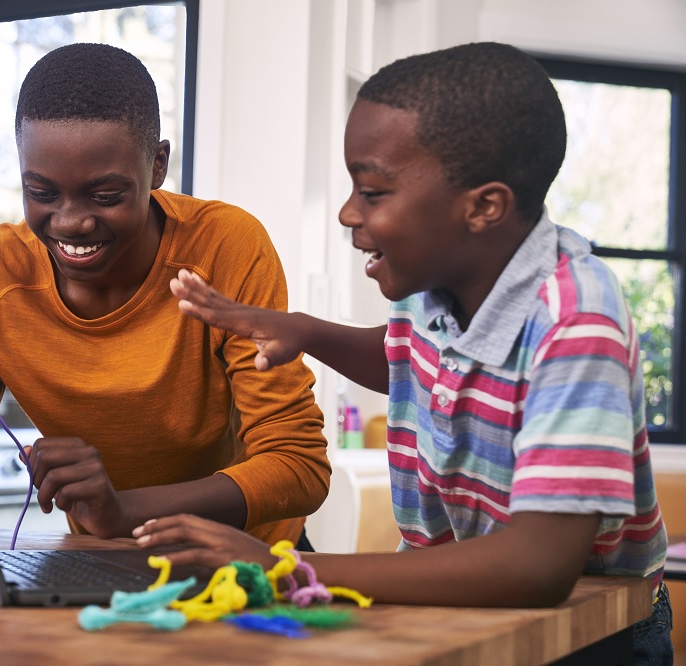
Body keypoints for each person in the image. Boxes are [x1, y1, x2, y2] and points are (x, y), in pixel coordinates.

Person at [132, 42, 672, 661]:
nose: (347, 212)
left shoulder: (576, 319)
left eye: (373, 192)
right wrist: (307, 330)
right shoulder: (433, 287)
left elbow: (538, 565)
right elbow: (407, 360)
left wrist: (288, 568)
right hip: (464, 608)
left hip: (591, 633)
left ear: (483, 207)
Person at [0, 43, 330, 548]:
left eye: (105, 196)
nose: (70, 222)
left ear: (156, 166)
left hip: (245, 556)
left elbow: (298, 467)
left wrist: (125, 511)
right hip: (98, 556)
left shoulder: (224, 248)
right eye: (41, 193)